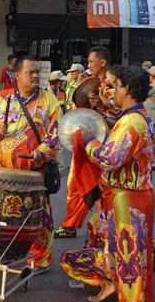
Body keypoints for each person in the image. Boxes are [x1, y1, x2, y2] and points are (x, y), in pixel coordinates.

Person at [60, 65, 155, 302]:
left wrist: (89, 140)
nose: (113, 92)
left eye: (116, 87)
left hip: (128, 197)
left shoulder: (132, 122)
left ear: (129, 89)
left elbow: (110, 159)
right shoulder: (136, 116)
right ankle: (115, 286)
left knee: (129, 259)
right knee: (128, 255)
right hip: (131, 194)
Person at [0, 55, 61, 275]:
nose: (36, 75)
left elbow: (56, 133)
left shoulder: (49, 100)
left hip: (35, 174)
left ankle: (41, 260)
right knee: (3, 217)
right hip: (5, 174)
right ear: (17, 75)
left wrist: (42, 152)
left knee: (40, 218)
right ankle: (6, 254)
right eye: (30, 72)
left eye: (37, 72)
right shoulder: (1, 99)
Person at [55, 48, 116, 240]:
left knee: (104, 188)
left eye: (91, 61)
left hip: (105, 147)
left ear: (103, 62)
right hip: (84, 145)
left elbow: (118, 116)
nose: (88, 65)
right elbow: (78, 111)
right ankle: (71, 224)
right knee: (75, 185)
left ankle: (103, 227)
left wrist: (102, 104)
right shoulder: (87, 82)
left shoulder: (114, 85)